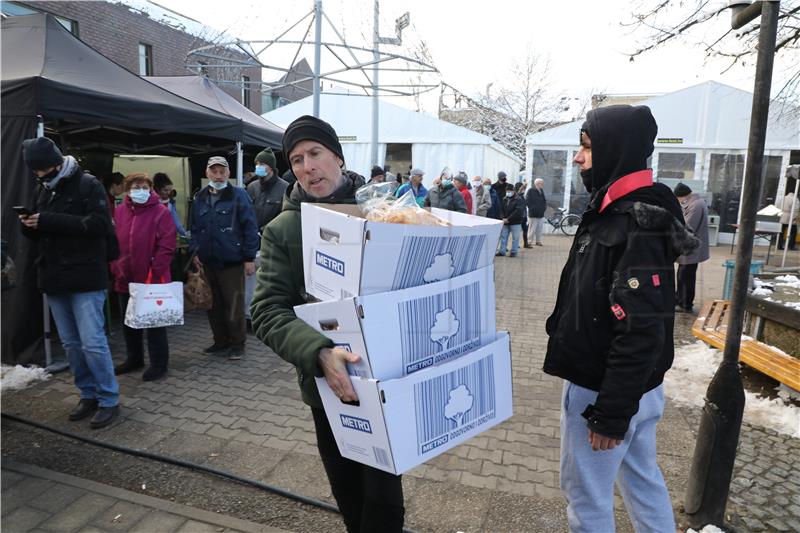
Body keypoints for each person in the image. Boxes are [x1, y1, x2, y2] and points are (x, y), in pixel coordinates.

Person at [544, 105, 699, 533]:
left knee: (588, 499)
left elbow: (642, 326)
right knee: (642, 481)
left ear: (615, 149)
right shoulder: (617, 208)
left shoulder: (636, 220)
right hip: (633, 387)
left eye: (587, 146)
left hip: (606, 389)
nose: (578, 157)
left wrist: (610, 412)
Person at [251, 115, 405, 532]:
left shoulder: (381, 215)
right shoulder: (283, 230)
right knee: (350, 493)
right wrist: (318, 352)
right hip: (328, 382)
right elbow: (265, 310)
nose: (307, 167)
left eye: (315, 153)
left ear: (337, 155)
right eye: (297, 159)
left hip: (385, 376)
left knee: (386, 495)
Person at [19, 137, 120, 429]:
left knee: (93, 343)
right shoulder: (44, 188)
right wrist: (30, 225)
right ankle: (87, 394)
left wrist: (48, 220)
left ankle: (109, 399)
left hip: (86, 277)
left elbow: (98, 225)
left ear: (54, 162)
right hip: (54, 277)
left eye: (40, 169)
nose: (38, 175)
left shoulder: (88, 184)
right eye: (35, 171)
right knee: (72, 345)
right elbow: (45, 232)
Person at [190, 156, 259, 361]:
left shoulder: (239, 195)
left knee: (234, 305)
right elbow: (194, 227)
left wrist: (249, 258)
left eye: (222, 172)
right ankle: (220, 341)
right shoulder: (200, 196)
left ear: (228, 174)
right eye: (214, 171)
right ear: (207, 173)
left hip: (232, 262)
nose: (218, 176)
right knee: (213, 305)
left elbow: (250, 227)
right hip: (208, 261)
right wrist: (195, 251)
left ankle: (237, 344)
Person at [112, 173, 177, 381]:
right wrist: (115, 265)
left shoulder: (160, 212)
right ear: (128, 189)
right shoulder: (120, 211)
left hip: (152, 278)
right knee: (129, 322)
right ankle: (134, 358)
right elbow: (115, 240)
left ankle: (159, 363)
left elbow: (167, 244)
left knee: (155, 324)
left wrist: (156, 268)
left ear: (150, 189)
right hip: (125, 277)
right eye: (135, 186)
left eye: (144, 186)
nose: (140, 190)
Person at [245, 148, 289, 332]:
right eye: (256, 164)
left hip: (273, 243)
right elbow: (246, 213)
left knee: (269, 284)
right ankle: (250, 319)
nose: (258, 167)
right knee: (251, 284)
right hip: (253, 244)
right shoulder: (252, 187)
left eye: (262, 164)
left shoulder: (285, 187)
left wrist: (264, 231)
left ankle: (269, 317)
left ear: (271, 167)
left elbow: (284, 215)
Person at [673, 183, 710, 314]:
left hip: (692, 247)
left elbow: (687, 226)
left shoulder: (696, 205)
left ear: (682, 196)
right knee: (682, 274)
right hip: (689, 247)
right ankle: (679, 299)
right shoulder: (694, 202)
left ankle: (686, 304)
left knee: (686, 276)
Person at [153, 172, 187, 237]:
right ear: (157, 189)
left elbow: (176, 220)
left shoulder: (170, 202)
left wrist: (185, 233)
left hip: (166, 236)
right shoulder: (151, 202)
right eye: (165, 190)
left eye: (170, 190)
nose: (168, 193)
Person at [496, 183, 525, 257]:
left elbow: (518, 211)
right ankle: (502, 251)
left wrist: (508, 219)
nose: (508, 192)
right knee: (503, 237)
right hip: (505, 222)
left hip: (515, 222)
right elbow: (501, 209)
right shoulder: (504, 199)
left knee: (515, 238)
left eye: (509, 191)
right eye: (507, 191)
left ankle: (513, 251)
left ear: (513, 191)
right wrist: (503, 218)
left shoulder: (518, 199)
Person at [525, 178, 547, 246]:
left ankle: (538, 241)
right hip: (533, 214)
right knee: (532, 229)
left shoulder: (541, 190)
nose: (542, 184)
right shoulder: (531, 190)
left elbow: (544, 200)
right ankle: (529, 241)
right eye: (541, 183)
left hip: (540, 213)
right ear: (537, 184)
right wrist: (532, 208)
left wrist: (544, 208)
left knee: (539, 229)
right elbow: (527, 201)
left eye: (542, 183)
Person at [777, 185, 799, 251]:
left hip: (782, 216)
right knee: (793, 232)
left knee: (781, 232)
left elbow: (777, 206)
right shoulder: (795, 199)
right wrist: (794, 217)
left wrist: (779, 215)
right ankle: (791, 246)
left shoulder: (783, 198)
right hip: (790, 217)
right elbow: (796, 209)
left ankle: (779, 245)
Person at [515, 182, 532, 248]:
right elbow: (519, 192)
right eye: (522, 188)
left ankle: (525, 244)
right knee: (517, 232)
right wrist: (523, 186)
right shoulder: (516, 195)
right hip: (518, 216)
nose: (523, 190)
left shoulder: (522, 195)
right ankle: (516, 244)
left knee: (525, 230)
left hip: (524, 216)